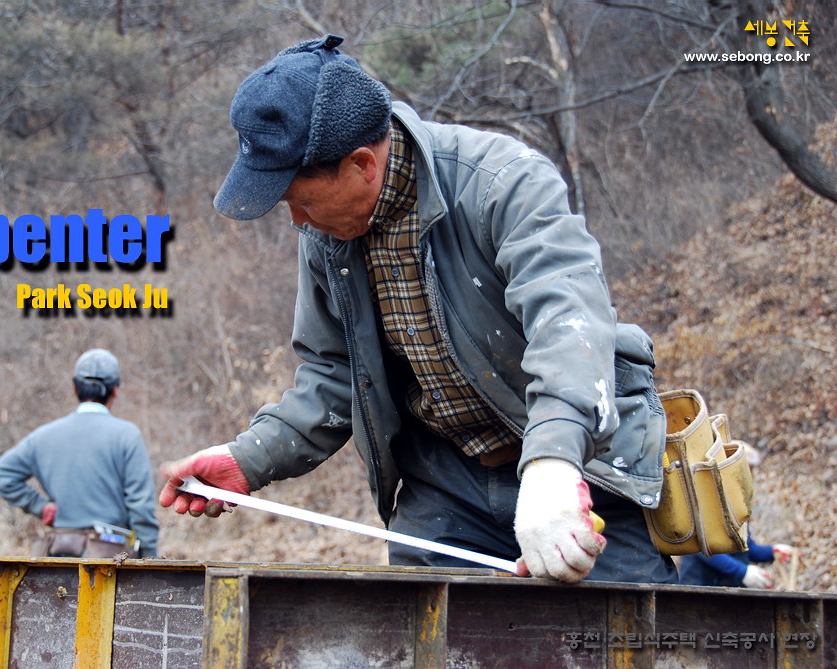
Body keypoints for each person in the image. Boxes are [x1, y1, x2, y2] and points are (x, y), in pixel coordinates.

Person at [159, 34, 677, 584]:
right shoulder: (329, 236)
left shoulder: (503, 183)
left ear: (362, 165)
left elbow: (571, 328)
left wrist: (552, 467)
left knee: (624, 636)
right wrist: (247, 460)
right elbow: (334, 377)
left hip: (584, 465)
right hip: (447, 483)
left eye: (302, 201)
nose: (298, 222)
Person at [0, 349, 159, 558]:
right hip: (111, 558)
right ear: (115, 390)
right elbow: (140, 507)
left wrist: (39, 506)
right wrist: (150, 558)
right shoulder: (127, 436)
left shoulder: (43, 436)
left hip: (57, 556)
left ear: (74, 389)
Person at [678, 444, 796, 587]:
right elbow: (700, 548)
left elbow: (745, 547)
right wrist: (741, 571)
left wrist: (773, 551)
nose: (749, 477)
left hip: (730, 591)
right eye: (747, 470)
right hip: (700, 588)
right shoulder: (704, 499)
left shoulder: (737, 504)